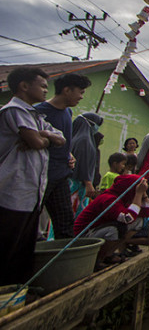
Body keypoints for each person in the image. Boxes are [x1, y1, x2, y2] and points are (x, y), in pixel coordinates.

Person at [0, 67, 65, 285]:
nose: (46, 90)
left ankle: (16, 293)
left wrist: (44, 135)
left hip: (30, 194)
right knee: (8, 249)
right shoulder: (14, 111)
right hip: (12, 191)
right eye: (43, 86)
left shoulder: (35, 115)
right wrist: (44, 139)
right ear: (24, 86)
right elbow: (35, 142)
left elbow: (59, 138)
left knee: (24, 248)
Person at [35, 72, 91, 239]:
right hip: (41, 175)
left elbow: (64, 141)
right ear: (67, 90)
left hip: (61, 175)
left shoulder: (67, 113)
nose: (81, 97)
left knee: (65, 221)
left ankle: (63, 260)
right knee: (31, 220)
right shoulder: (39, 112)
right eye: (80, 92)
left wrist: (69, 154)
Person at [73, 175, 149, 268]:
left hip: (97, 232)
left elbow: (147, 213)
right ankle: (98, 259)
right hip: (84, 236)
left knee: (139, 221)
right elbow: (128, 218)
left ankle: (108, 255)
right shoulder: (108, 199)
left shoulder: (123, 199)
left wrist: (144, 195)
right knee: (114, 229)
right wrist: (138, 194)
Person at [70, 112, 104, 217]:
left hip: (73, 182)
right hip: (78, 183)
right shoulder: (84, 140)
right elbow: (82, 162)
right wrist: (88, 183)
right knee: (74, 212)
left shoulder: (78, 138)